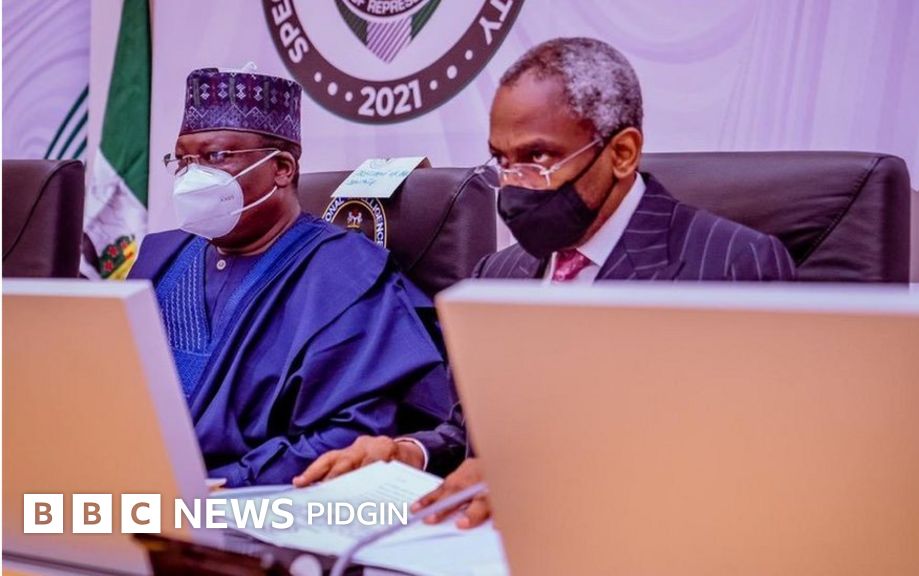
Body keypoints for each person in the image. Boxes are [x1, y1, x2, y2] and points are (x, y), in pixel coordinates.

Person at [294, 38, 796, 524]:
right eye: (503, 160)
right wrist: (407, 453)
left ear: (622, 153)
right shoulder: (498, 277)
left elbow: (755, 463)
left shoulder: (732, 265)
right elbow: (473, 439)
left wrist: (545, 482)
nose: (514, 184)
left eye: (537, 159)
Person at [128, 66, 451, 486]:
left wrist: (226, 483)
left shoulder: (345, 272)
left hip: (258, 500)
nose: (192, 176)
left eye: (215, 157)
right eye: (183, 161)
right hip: (130, 483)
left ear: (281, 168)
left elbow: (350, 435)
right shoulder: (161, 257)